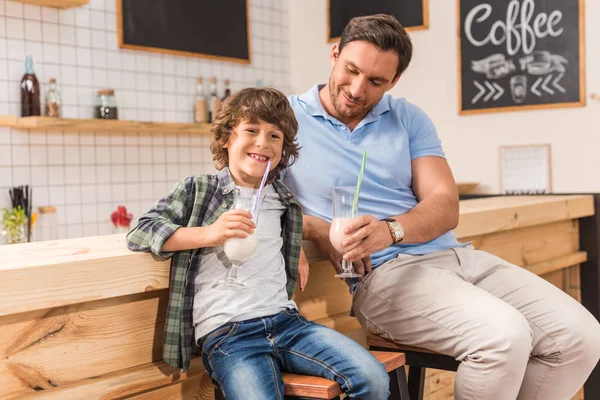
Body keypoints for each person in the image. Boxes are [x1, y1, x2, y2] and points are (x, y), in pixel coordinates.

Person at [282, 14, 600, 400]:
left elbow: (445, 205)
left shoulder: (408, 118)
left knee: (582, 337)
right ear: (334, 55)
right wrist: (312, 229)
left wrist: (389, 230)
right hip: (384, 277)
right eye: (351, 70)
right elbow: (251, 191)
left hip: (456, 258)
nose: (357, 89)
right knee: (503, 338)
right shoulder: (285, 119)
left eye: (376, 81)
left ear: (394, 82)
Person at [126, 87, 390, 399]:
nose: (263, 142)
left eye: (274, 135)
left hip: (287, 323)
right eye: (251, 130)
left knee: (373, 378)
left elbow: (290, 237)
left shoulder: (283, 200)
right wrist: (210, 233)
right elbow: (142, 231)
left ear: (283, 149)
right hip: (228, 335)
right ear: (226, 138)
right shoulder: (199, 189)